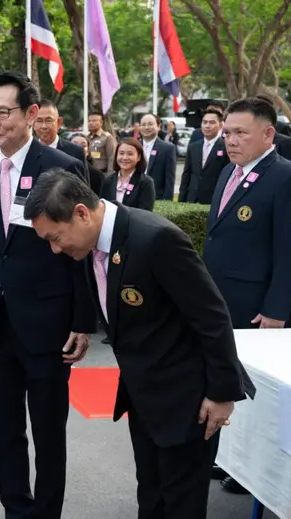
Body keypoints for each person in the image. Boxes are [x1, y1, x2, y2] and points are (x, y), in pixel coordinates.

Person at [25, 169, 256, 519]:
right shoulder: (93, 247)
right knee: (150, 494)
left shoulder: (155, 239)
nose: (56, 249)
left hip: (187, 398)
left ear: (82, 214)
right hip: (144, 394)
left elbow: (211, 316)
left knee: (181, 504)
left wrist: (222, 394)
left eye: (56, 237)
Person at [0, 71, 95, 519]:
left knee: (47, 431)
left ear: (31, 114)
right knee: (6, 429)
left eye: (3, 112)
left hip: (48, 323)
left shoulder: (63, 165)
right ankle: (16, 509)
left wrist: (82, 320)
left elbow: (78, 249)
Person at [202, 97, 291, 494]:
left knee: (254, 393)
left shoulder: (284, 177)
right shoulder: (228, 173)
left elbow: (287, 251)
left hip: (256, 308)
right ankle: (229, 460)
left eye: (240, 133)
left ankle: (251, 473)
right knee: (225, 381)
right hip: (220, 300)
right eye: (227, 133)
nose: (230, 141)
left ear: (268, 133)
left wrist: (276, 309)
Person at [179, 109, 228, 204]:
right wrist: (182, 200)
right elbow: (186, 175)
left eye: (212, 122)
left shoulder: (226, 147)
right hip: (192, 199)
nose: (207, 126)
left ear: (221, 125)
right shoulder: (193, 147)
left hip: (214, 200)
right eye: (204, 122)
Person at [100, 138, 155, 211]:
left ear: (138, 157)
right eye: (121, 153)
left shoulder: (145, 182)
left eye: (130, 154)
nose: (125, 158)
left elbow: (145, 213)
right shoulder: (108, 181)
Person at [139, 114, 177, 200]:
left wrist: (167, 201)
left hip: (156, 197)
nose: (146, 127)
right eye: (143, 124)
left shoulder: (168, 149)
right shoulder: (134, 146)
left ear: (158, 126)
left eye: (150, 124)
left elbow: (169, 178)